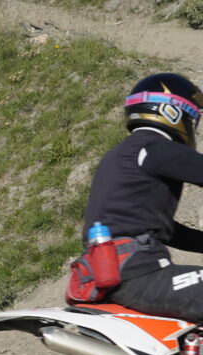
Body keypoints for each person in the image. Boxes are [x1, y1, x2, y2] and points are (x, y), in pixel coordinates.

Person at [82, 72, 203, 321]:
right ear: (173, 113)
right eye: (192, 119)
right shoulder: (152, 147)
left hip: (111, 273)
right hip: (138, 272)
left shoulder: (123, 154)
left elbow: (165, 230)